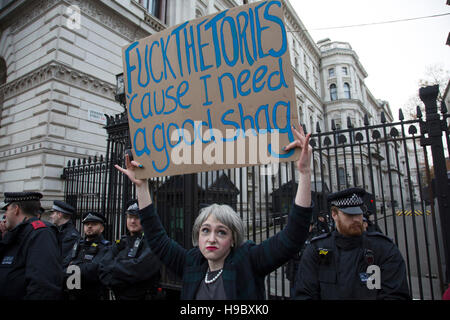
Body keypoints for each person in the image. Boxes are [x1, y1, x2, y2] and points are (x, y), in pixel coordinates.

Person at [115, 126, 313, 300]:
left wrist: (304, 173)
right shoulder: (191, 263)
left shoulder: (249, 261)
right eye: (205, 230)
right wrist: (141, 188)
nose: (211, 239)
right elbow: (157, 238)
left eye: (221, 232)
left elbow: (293, 236)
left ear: (234, 239)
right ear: (197, 235)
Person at [293, 187, 411, 300]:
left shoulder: (384, 248)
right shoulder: (317, 249)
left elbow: (396, 294)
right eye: (349, 214)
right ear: (334, 214)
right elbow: (305, 293)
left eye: (358, 214)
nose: (356, 219)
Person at [0, 192, 63, 299]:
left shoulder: (40, 233)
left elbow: (43, 286)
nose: (5, 215)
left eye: (7, 209)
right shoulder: (16, 233)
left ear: (16, 209)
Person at [99, 200, 162, 300]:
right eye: (129, 217)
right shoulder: (121, 242)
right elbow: (102, 268)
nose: (132, 221)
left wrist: (112, 268)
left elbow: (138, 271)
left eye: (137, 217)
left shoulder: (152, 243)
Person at [65, 211, 110, 300]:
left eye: (94, 224)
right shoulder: (78, 245)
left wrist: (73, 266)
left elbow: (92, 270)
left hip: (94, 294)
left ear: (102, 228)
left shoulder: (105, 247)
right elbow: (63, 265)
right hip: (73, 294)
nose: (89, 226)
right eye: (87, 224)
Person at [48, 200, 81, 268]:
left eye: (53, 213)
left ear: (59, 215)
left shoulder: (71, 236)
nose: (51, 216)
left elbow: (62, 259)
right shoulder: (58, 230)